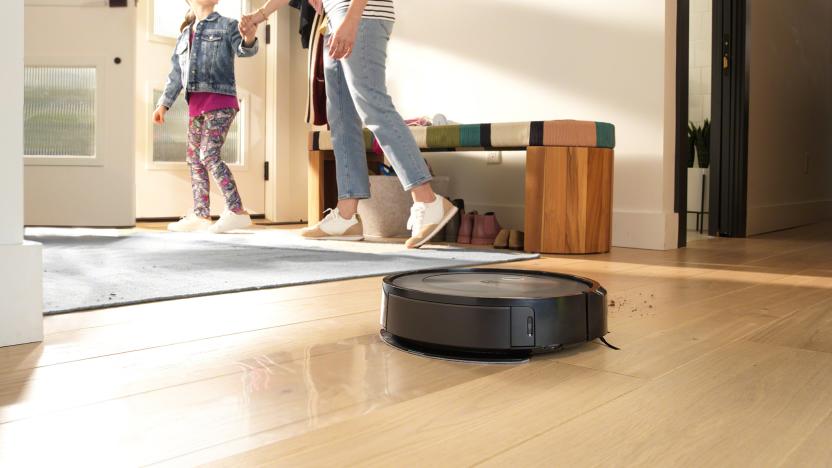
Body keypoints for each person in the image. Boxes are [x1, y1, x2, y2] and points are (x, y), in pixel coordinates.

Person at [242, 0, 457, 248]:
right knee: (341, 117)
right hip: (335, 18)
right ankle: (346, 216)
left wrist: (353, 17)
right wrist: (260, 15)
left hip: (360, 13)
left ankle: (428, 200)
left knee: (373, 106)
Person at [153, 0, 259, 233]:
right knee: (194, 159)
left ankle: (237, 210)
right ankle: (201, 214)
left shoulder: (227, 25)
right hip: (196, 107)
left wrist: (249, 37)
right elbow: (175, 75)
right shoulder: (183, 36)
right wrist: (164, 104)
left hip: (220, 101)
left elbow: (245, 48)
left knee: (208, 154)